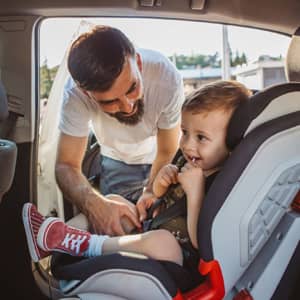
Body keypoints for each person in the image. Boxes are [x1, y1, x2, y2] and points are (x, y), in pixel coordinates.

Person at [24, 81, 251, 271]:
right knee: (113, 201)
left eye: (201, 137)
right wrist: (160, 184)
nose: (187, 145)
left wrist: (195, 194)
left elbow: (202, 242)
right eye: (184, 133)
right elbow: (161, 198)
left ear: (231, 142)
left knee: (163, 244)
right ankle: (53, 236)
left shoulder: (222, 181)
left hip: (180, 253)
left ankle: (85, 244)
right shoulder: (187, 161)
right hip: (154, 225)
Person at [56, 25, 185, 236]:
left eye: (132, 88)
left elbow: (167, 149)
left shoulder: (165, 77)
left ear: (139, 63)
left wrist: (152, 190)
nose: (127, 106)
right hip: (115, 160)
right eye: (110, 101)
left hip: (160, 159)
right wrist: (93, 204)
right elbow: (66, 165)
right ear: (85, 93)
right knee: (114, 225)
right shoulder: (74, 95)